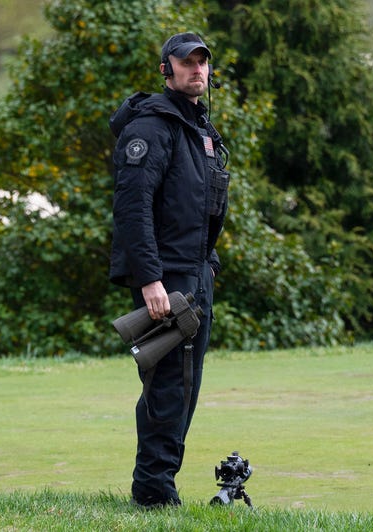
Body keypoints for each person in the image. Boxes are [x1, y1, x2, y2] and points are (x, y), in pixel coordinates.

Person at [108, 32, 230, 508]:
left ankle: (159, 484)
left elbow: (201, 207)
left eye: (203, 62)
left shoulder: (196, 128)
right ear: (167, 70)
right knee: (168, 385)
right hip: (166, 279)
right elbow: (133, 208)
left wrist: (209, 265)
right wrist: (150, 279)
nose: (197, 69)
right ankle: (155, 492)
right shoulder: (152, 128)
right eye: (187, 62)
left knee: (186, 384)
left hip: (194, 274)